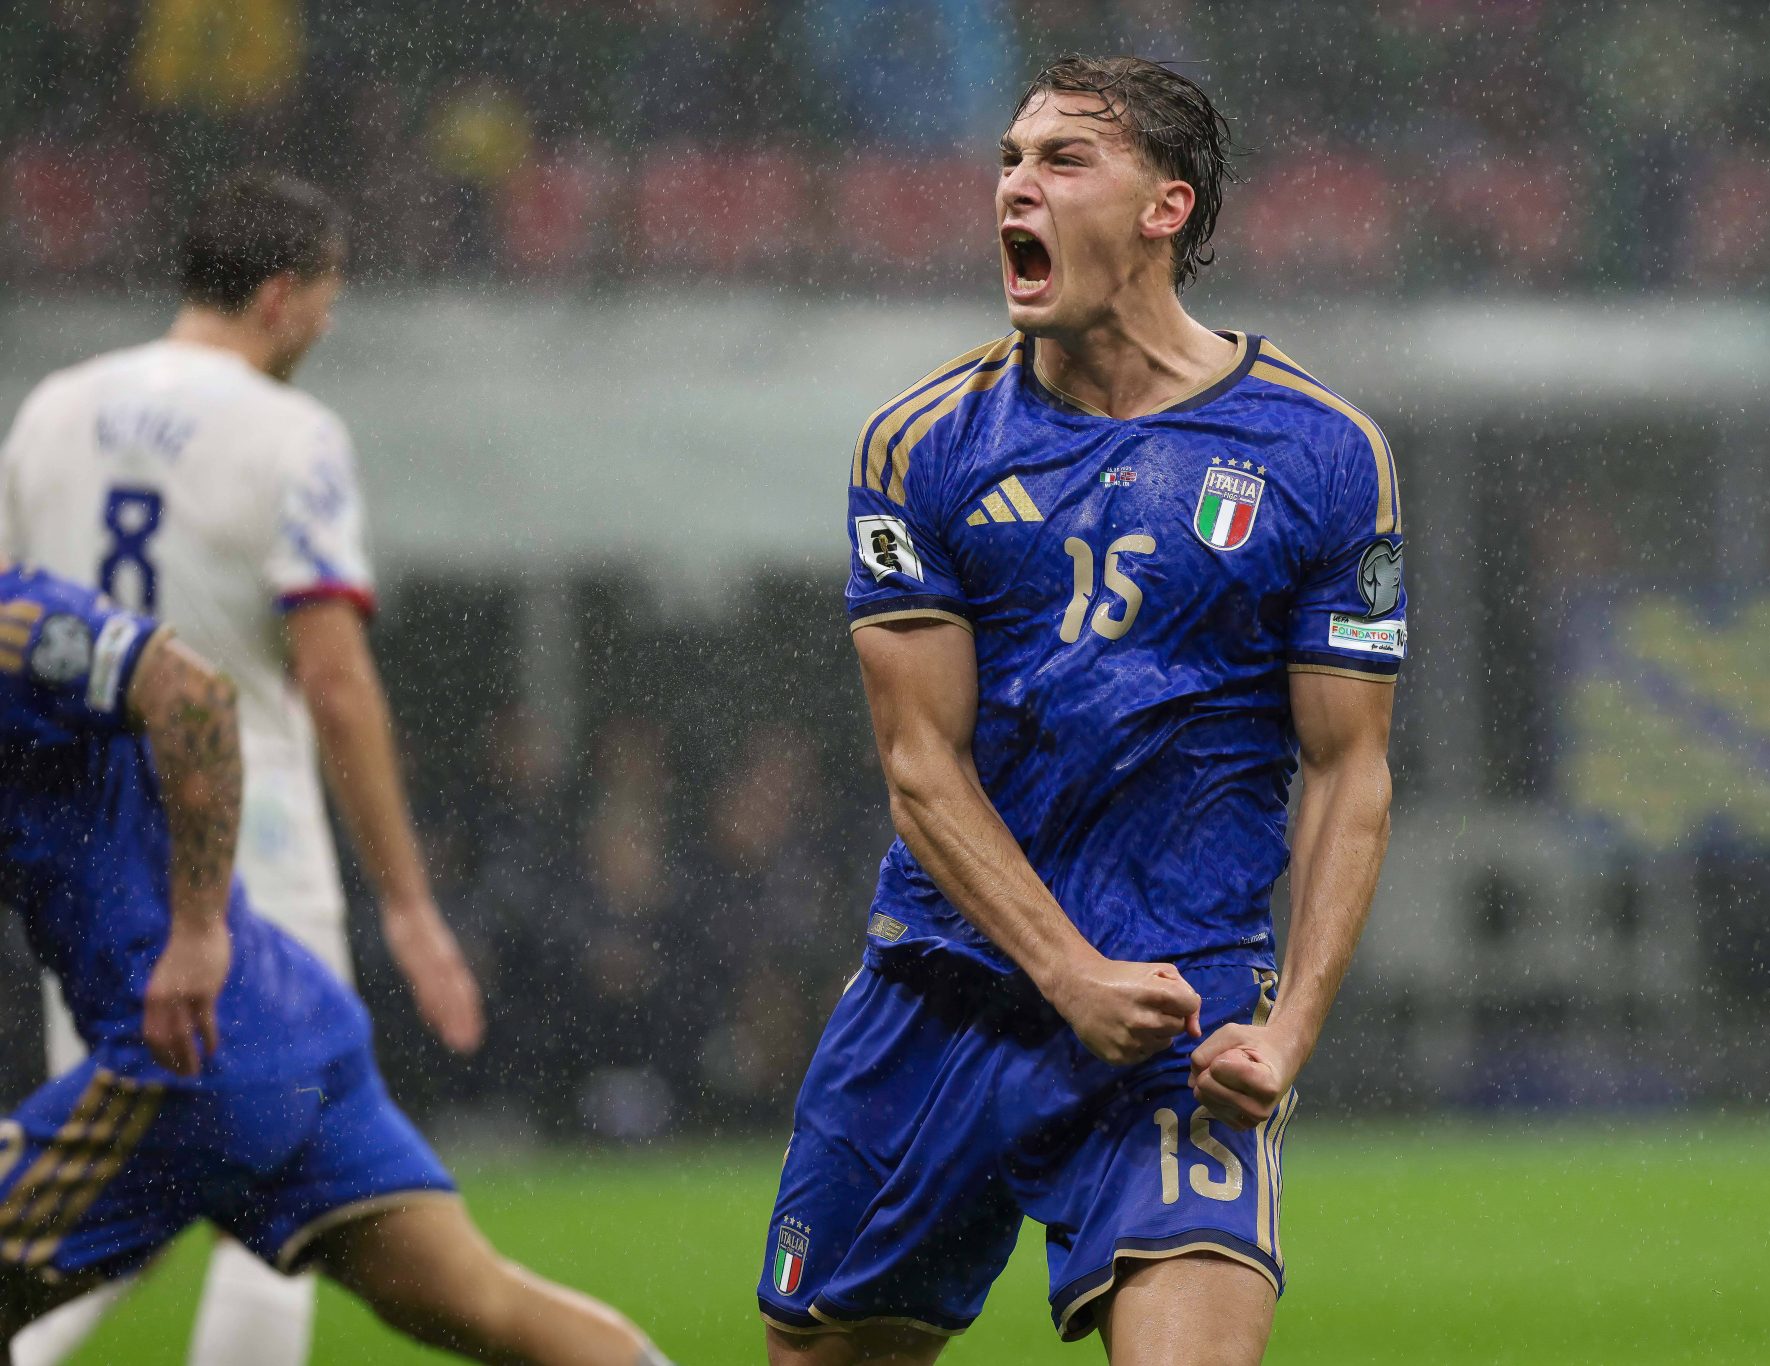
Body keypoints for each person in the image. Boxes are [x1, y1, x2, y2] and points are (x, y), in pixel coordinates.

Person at [759, 56, 1405, 1365]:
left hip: (1181, 1014)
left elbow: (1352, 771)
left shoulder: (1324, 453)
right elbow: (920, 765)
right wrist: (1067, 973)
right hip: (941, 999)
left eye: (1061, 160)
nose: (1014, 186)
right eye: (1009, 160)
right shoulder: (921, 445)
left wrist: (1288, 1032)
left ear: (1165, 208)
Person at [0, 169, 481, 1365]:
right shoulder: (292, 433)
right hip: (249, 838)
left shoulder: (52, 408)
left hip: (90, 855)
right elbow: (333, 680)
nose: (325, 322)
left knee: (100, 1186)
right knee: (278, 1198)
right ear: (279, 295)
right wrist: (410, 905)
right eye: (325, 298)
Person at [0, 562, 674, 1366]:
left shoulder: (21, 621)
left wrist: (197, 929)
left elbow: (194, 694)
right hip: (290, 1028)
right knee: (483, 1303)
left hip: (191, 1056)